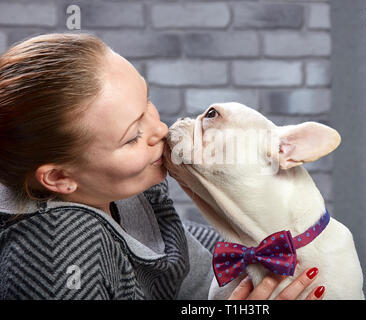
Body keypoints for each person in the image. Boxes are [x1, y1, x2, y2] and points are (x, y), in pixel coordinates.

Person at [0, 33, 325, 300]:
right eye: (132, 137)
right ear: (59, 177)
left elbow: (181, 252)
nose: (160, 130)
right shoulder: (60, 248)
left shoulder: (117, 192)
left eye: (146, 103)